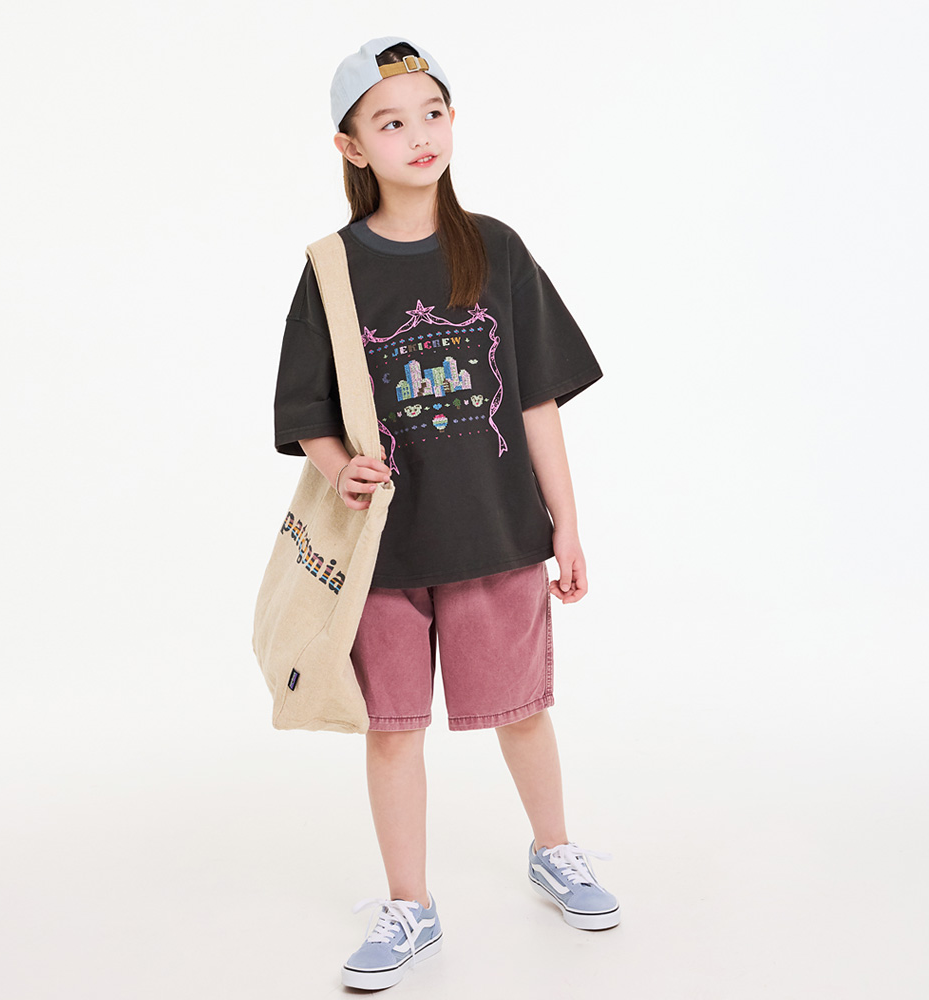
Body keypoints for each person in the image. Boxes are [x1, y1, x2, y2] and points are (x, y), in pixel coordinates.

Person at [272, 36, 619, 991]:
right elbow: (307, 411)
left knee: (523, 712)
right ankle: (410, 905)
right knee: (392, 730)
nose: (419, 134)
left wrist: (565, 521)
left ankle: (555, 850)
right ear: (352, 148)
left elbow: (537, 398)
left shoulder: (494, 248)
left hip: (496, 535)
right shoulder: (333, 268)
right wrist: (340, 467)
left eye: (433, 112)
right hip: (385, 553)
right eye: (391, 123)